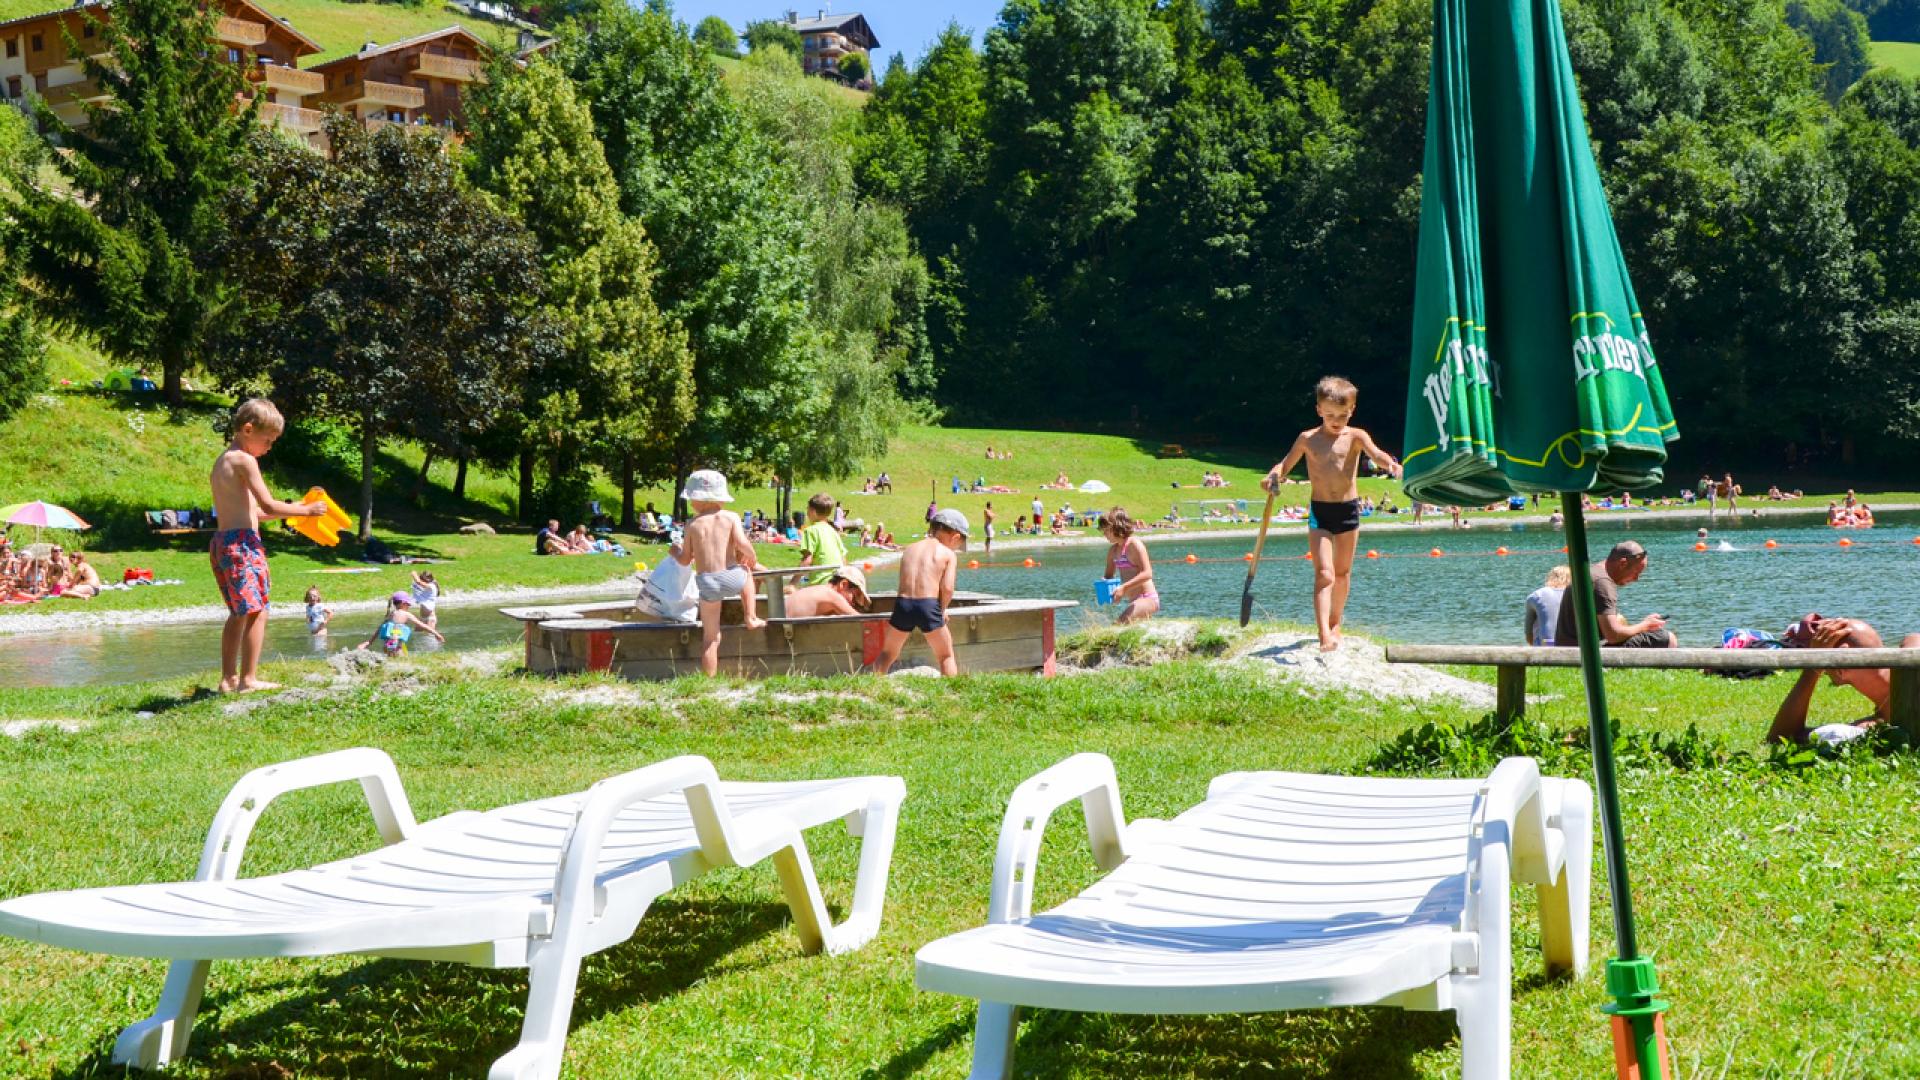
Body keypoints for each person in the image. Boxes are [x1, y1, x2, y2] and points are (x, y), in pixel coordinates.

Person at [1263, 375, 1402, 652]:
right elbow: (1285, 465)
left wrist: (1393, 466)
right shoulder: (1307, 439)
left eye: (1342, 414)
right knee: (1324, 573)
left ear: (1352, 410)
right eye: (1329, 415)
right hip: (1321, 512)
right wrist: (1273, 475)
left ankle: (1336, 622)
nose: (1336, 420)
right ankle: (1324, 633)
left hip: (1349, 511)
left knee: (1342, 572)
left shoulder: (1356, 436)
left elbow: (1378, 455)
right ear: (1318, 410)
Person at [208, 398, 329, 693]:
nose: (269, 447)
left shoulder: (223, 461)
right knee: (257, 611)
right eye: (268, 440)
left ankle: (228, 679)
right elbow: (267, 503)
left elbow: (258, 513)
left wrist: (297, 506)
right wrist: (308, 512)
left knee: (239, 612)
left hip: (223, 542)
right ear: (248, 430)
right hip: (242, 545)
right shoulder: (244, 460)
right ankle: (248, 680)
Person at [1768, 615, 1920, 744]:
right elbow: (1914, 639)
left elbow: (1781, 736)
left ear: (1840, 670)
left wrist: (1813, 668)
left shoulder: (1870, 730)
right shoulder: (1878, 723)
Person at [679, 469, 765, 676]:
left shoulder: (692, 524)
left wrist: (674, 551)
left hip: (707, 583)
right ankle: (751, 616)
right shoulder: (730, 517)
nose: (691, 503)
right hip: (731, 577)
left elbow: (685, 560)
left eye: (692, 499)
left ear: (699, 500)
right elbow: (742, 543)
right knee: (746, 572)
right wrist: (751, 557)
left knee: (711, 637)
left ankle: (709, 678)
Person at [871, 508, 966, 676]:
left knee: (887, 653)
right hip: (928, 605)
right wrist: (942, 610)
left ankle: (873, 685)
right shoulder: (948, 554)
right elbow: (948, 588)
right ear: (955, 537)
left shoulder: (910, 549)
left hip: (903, 604)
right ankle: (952, 693)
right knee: (945, 655)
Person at [1553, 540, 1676, 649]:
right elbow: (1613, 635)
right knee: (1666, 638)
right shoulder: (1602, 583)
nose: (1636, 579)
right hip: (1586, 654)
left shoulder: (1592, 572)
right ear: (1623, 563)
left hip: (1571, 648)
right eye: (1636, 572)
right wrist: (1645, 625)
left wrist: (1643, 625)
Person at [1101, 508, 1158, 625]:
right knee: (1124, 625)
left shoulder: (1134, 544)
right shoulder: (1113, 551)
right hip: (1133, 601)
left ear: (1116, 527)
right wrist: (1105, 587)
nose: (1104, 534)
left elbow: (1147, 573)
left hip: (1147, 598)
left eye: (1106, 530)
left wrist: (1123, 588)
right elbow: (1108, 577)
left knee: (1119, 624)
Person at [357, 591, 444, 656]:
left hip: (388, 644)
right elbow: (423, 625)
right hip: (396, 644)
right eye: (408, 604)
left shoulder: (391, 614)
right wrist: (437, 634)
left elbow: (380, 628)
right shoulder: (406, 614)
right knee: (403, 661)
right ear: (403, 603)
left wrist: (369, 642)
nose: (409, 606)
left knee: (398, 658)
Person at [796, 492, 848, 586]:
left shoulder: (810, 531)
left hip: (820, 583)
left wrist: (792, 583)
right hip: (837, 582)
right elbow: (843, 559)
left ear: (813, 511)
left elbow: (807, 559)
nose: (807, 512)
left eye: (808, 509)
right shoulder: (833, 531)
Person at [784, 566, 871, 618]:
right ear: (843, 584)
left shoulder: (819, 590)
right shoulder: (833, 597)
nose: (854, 604)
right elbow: (860, 621)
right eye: (856, 597)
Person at [1524, 566, 1570, 647]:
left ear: (1550, 577)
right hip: (1573, 644)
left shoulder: (1537, 595)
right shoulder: (1576, 594)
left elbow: (1528, 634)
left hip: (1548, 644)